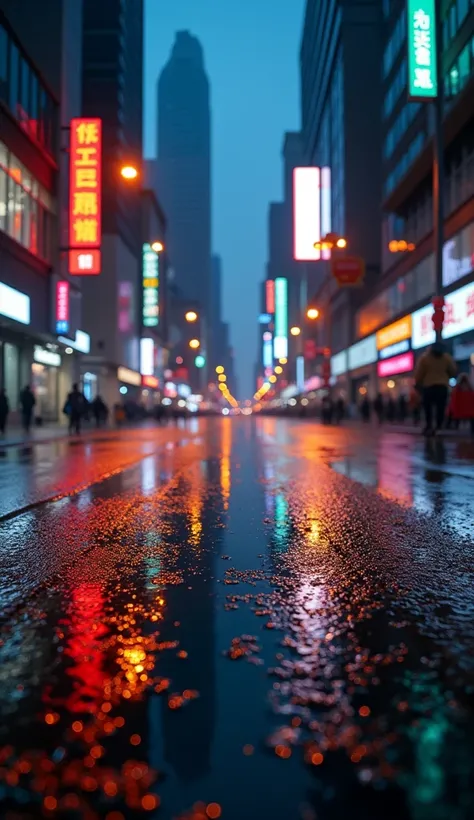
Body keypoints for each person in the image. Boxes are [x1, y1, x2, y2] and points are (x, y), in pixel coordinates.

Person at [414, 343, 456, 436]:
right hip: (442, 386)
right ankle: (438, 427)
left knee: (428, 408)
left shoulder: (424, 358)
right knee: (440, 408)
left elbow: (419, 374)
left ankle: (429, 426)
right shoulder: (446, 358)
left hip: (428, 386)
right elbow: (453, 371)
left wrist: (418, 383)